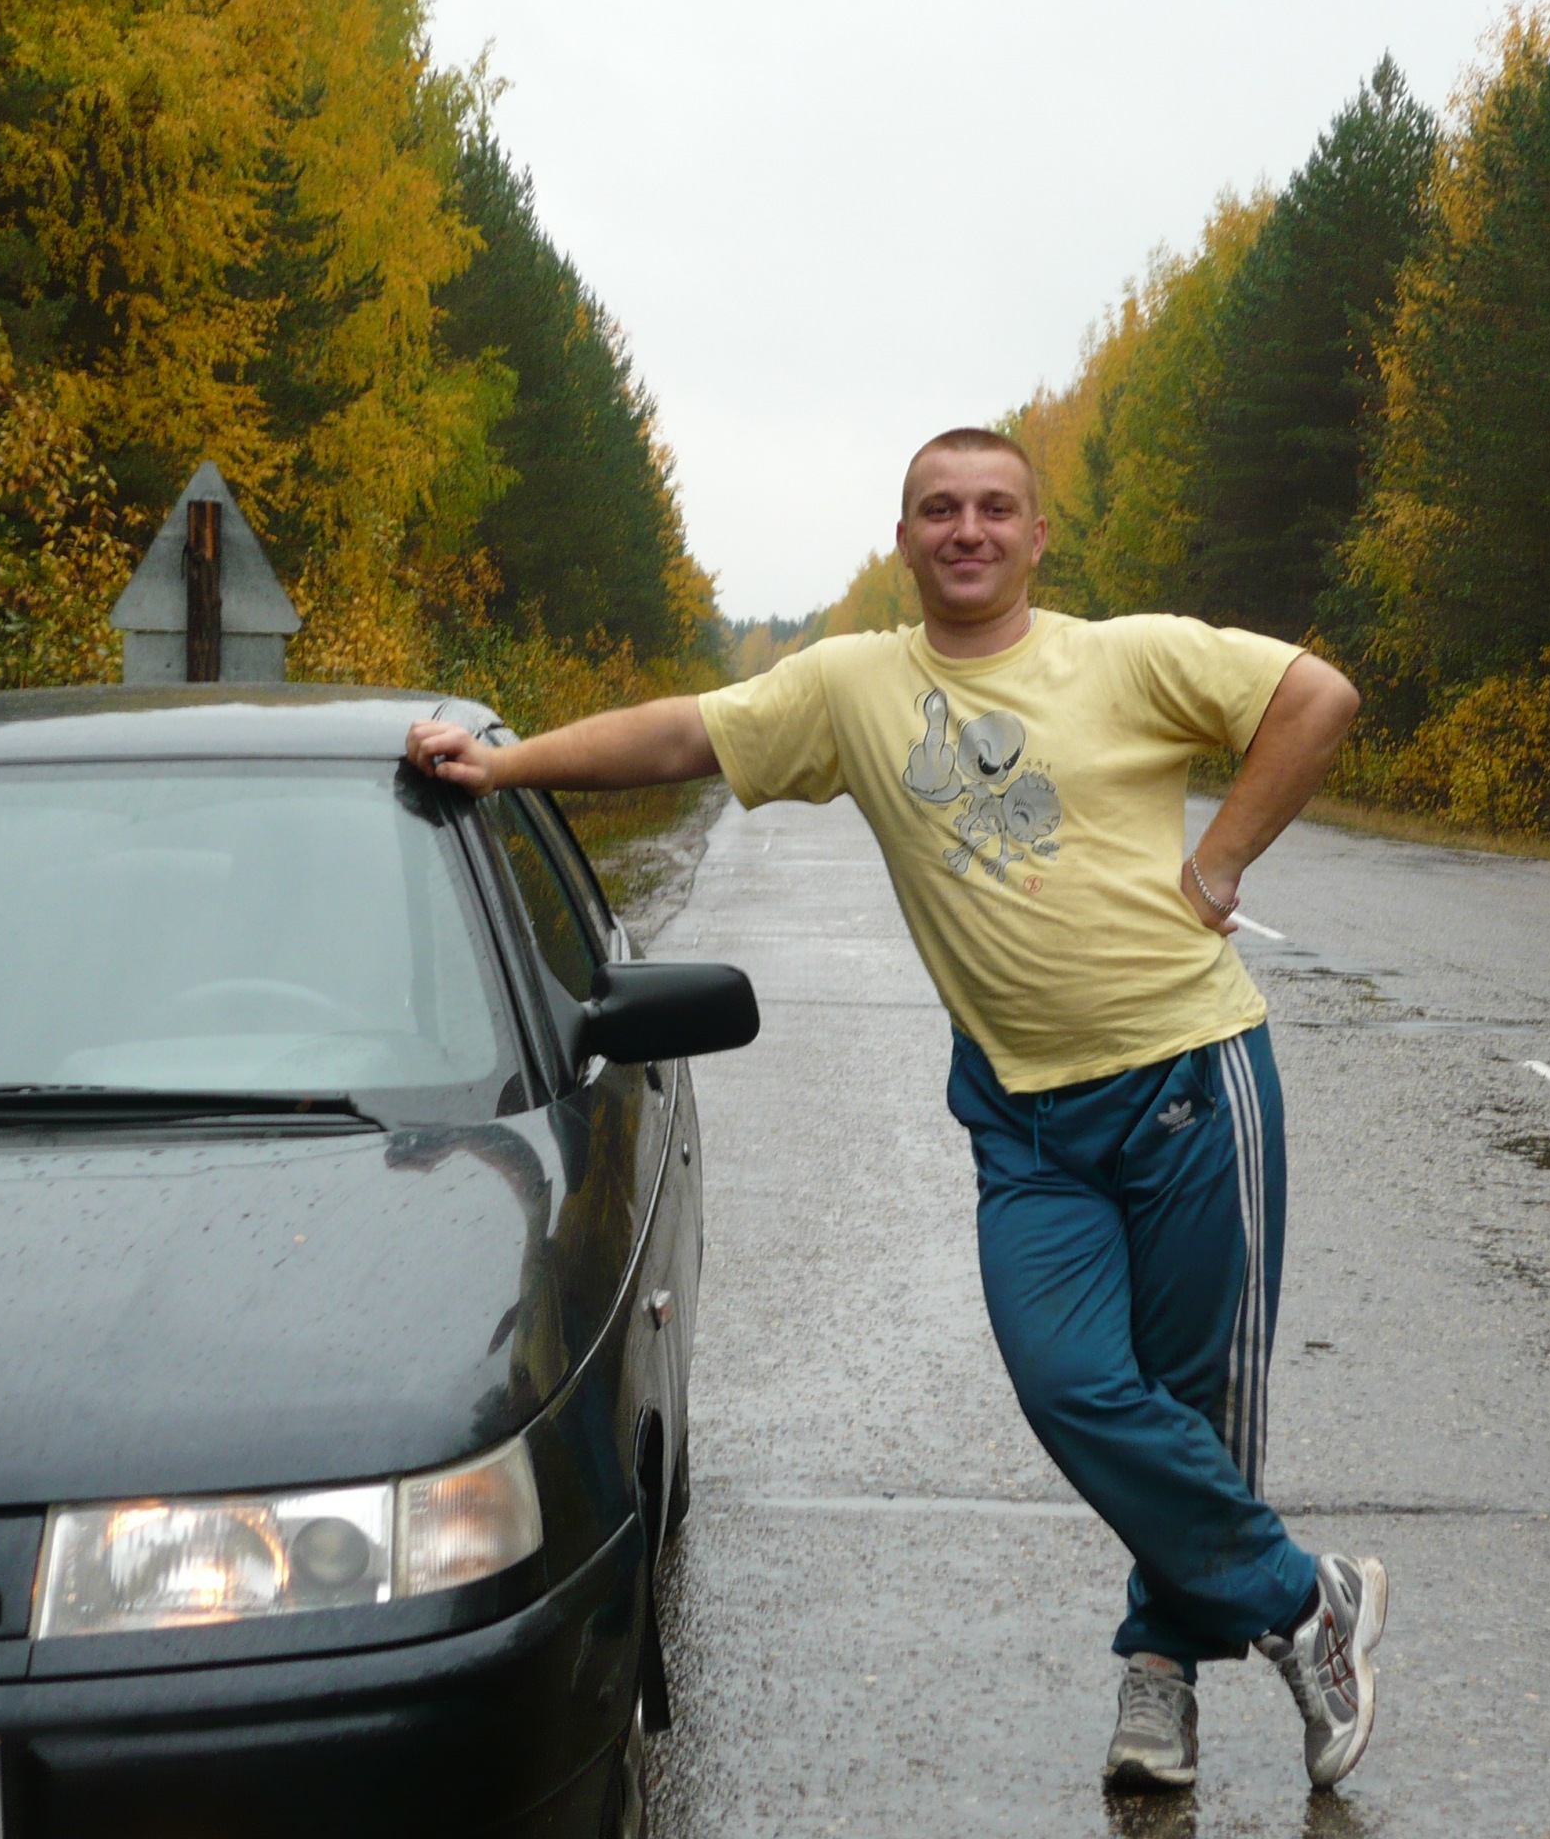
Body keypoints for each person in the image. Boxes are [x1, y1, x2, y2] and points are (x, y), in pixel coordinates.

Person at [405, 426, 1384, 1795]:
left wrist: (1219, 866)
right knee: (1072, 1386)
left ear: (1037, 535)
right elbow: (687, 731)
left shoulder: (1130, 658)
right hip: (1023, 1119)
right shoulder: (857, 685)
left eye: (994, 508)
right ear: (906, 537)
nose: (967, 529)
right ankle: (1305, 1601)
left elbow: (1318, 698)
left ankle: (1162, 1673)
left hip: (1187, 1081)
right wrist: (506, 767)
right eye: (939, 509)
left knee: (1188, 1408)